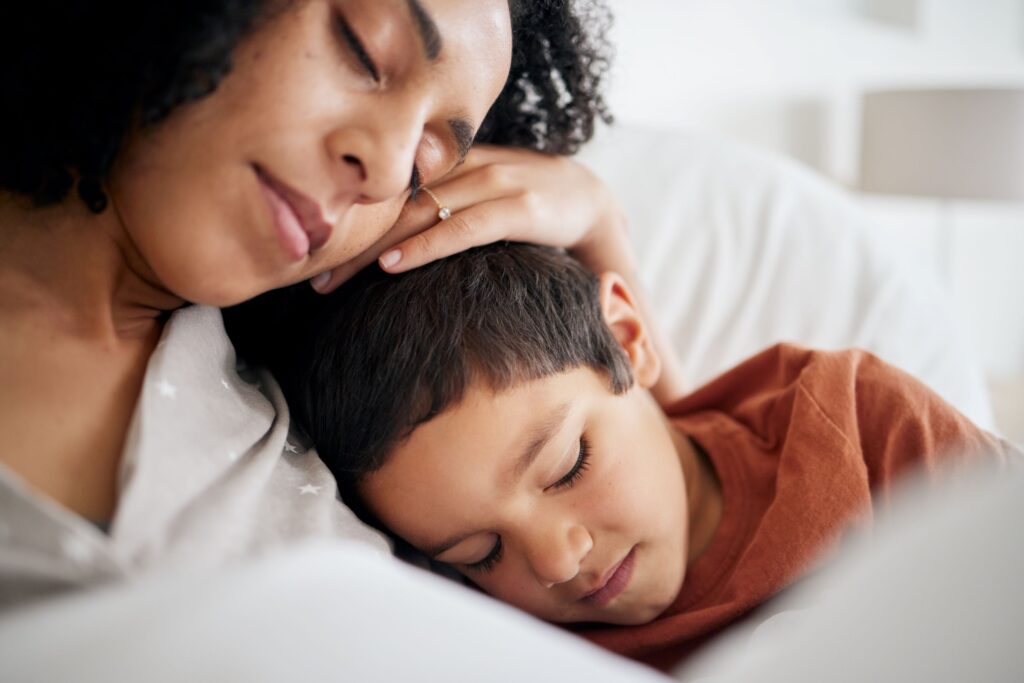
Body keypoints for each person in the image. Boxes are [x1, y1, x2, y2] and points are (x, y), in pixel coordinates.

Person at [1, 0, 696, 609]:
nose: (388, 170)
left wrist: (601, 233)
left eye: (424, 166)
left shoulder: (354, 445)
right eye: (364, 52)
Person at [224, 242, 1019, 672]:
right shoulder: (518, 645)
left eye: (567, 466)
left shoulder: (854, 419)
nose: (557, 560)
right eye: (479, 553)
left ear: (630, 338)